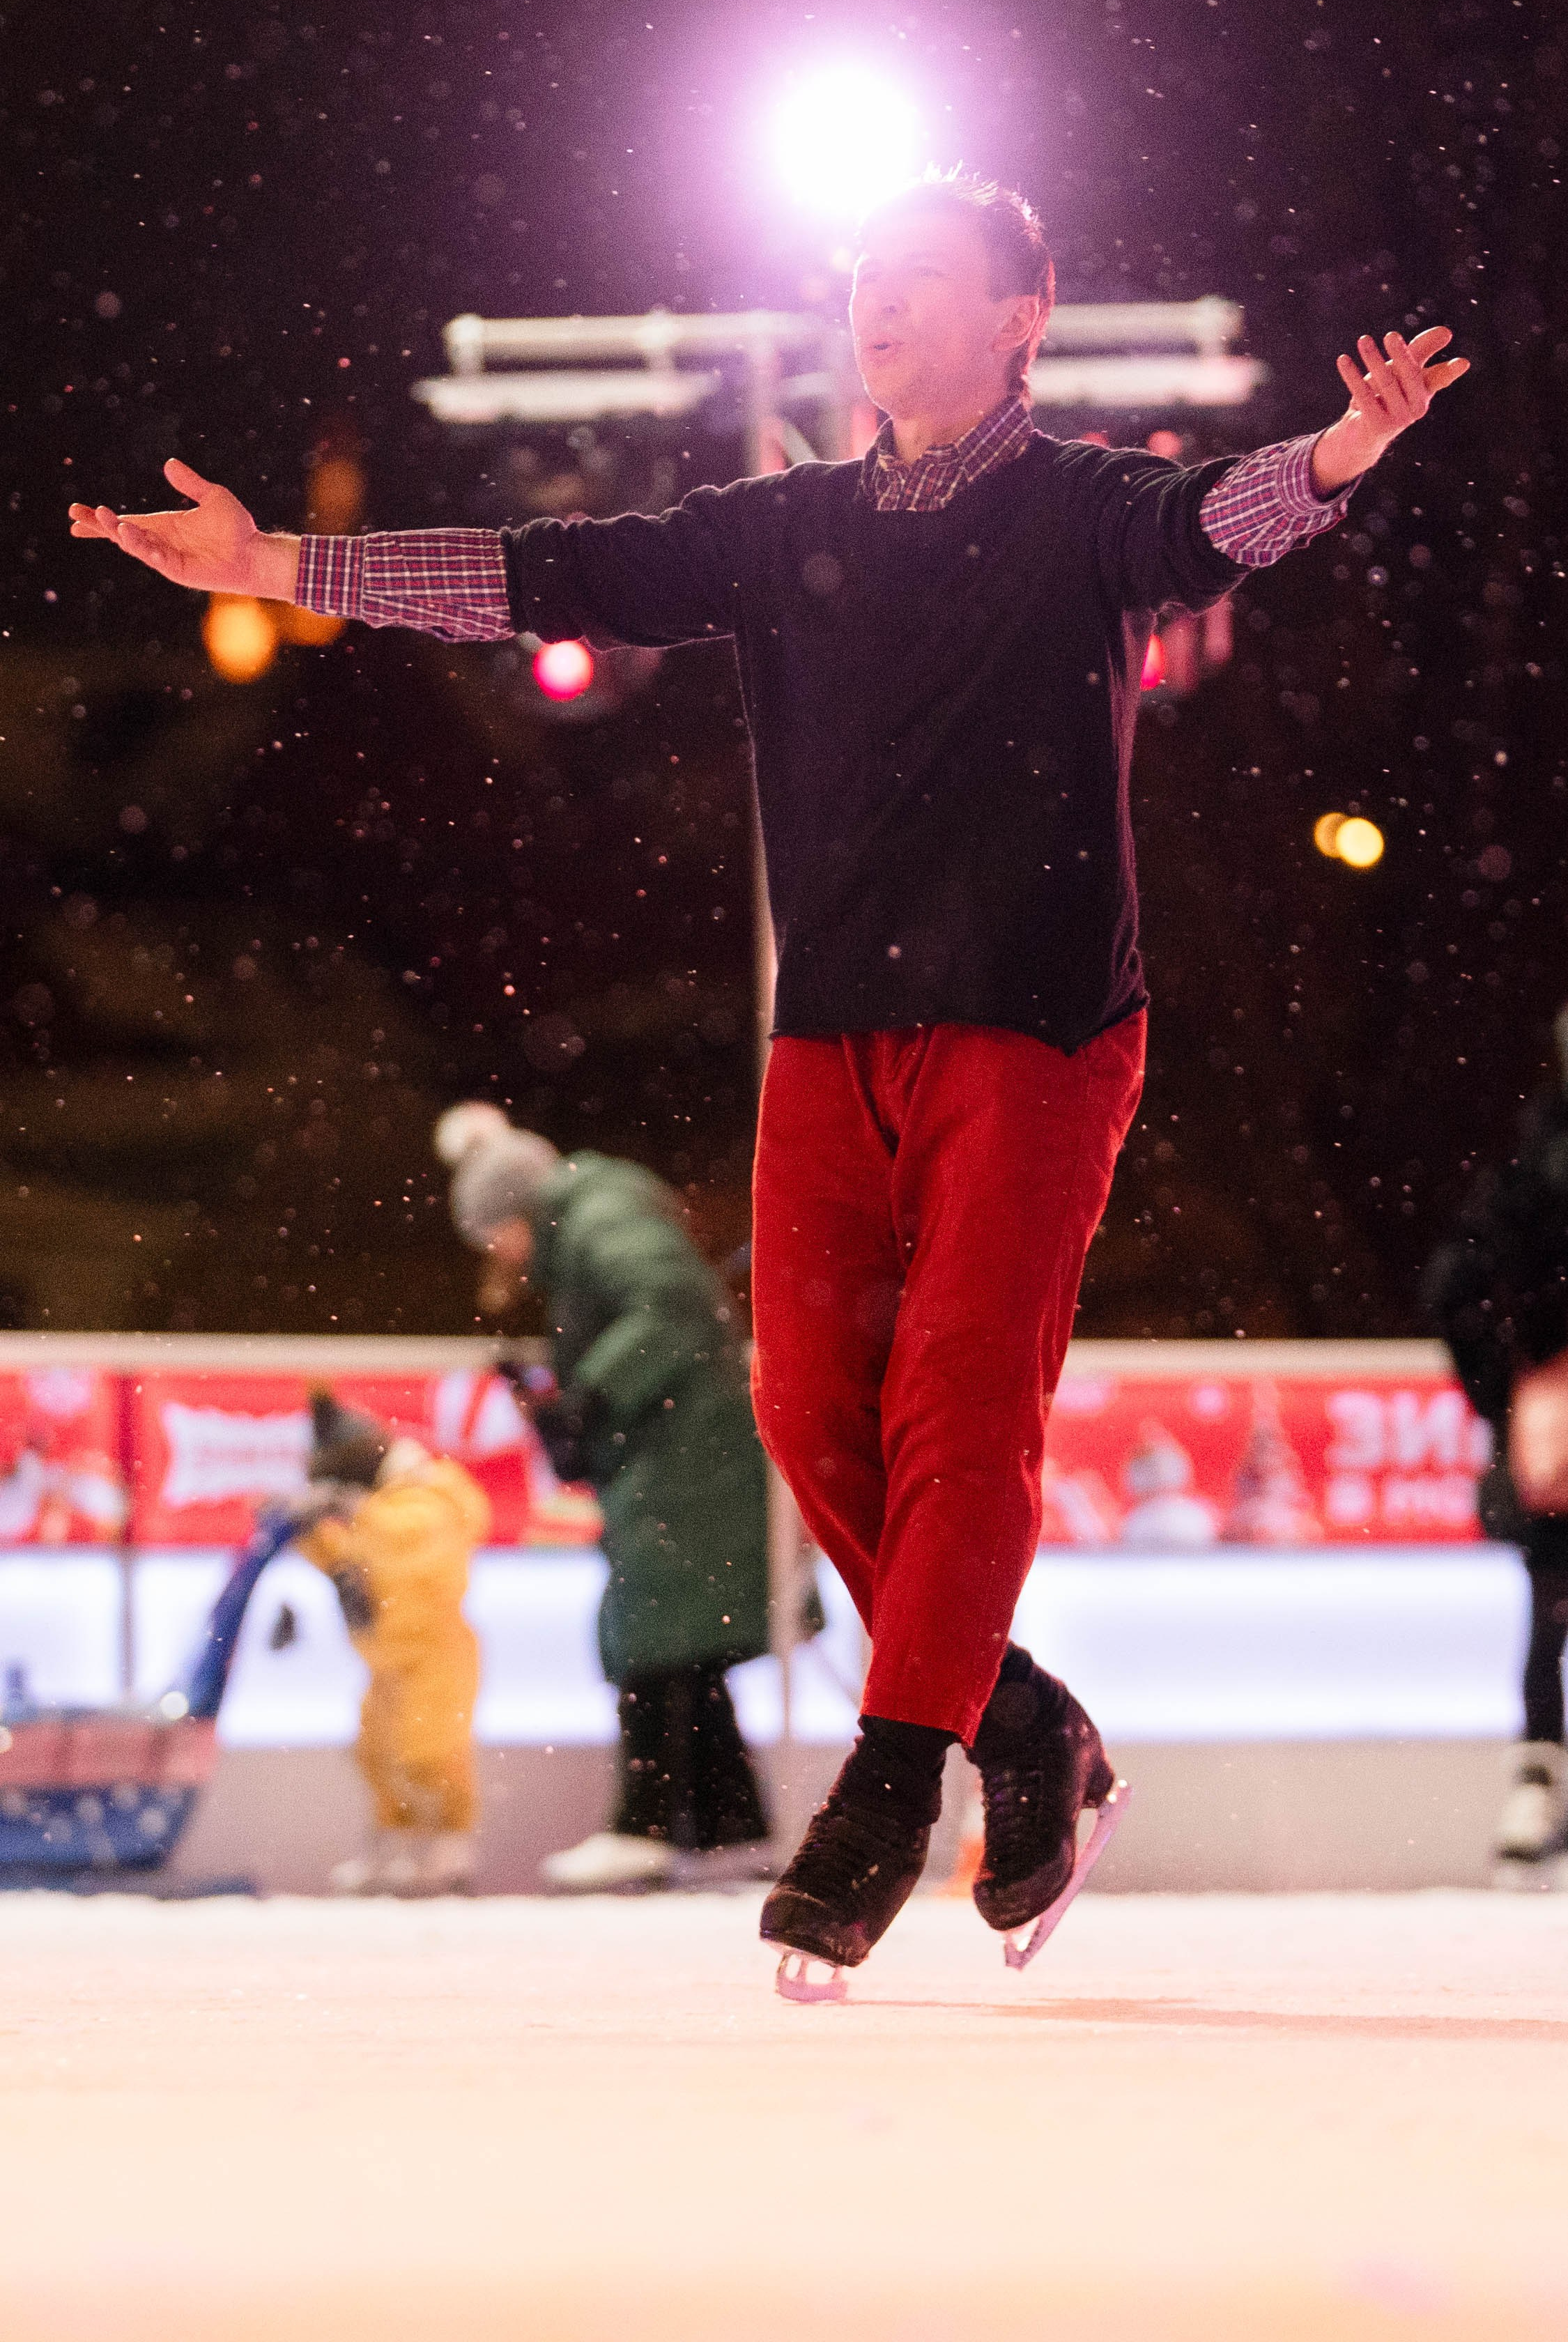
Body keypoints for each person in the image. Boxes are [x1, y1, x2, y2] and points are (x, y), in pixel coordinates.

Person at [70, 169, 1468, 1991]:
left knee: (961, 1409)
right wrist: (280, 569)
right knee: (807, 1411)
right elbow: (541, 578)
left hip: (1038, 1030)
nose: (878, 308)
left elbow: (1220, 522)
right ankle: (1021, 1720)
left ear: (1017, 320)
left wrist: (1344, 450)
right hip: (829, 1036)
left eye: (921, 281)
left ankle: (891, 1787)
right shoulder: (781, 523)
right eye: (864, 280)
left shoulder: (1082, 508)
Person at [433, 1102, 776, 1890]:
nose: (500, 1255)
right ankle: (733, 1829)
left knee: (653, 1629)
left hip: (686, 1460)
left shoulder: (601, 1215)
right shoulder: (594, 1219)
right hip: (683, 1451)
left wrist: (586, 1394)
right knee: (685, 1640)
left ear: (518, 1209)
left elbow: (676, 1308)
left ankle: (645, 1824)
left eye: (495, 1234)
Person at [1424, 1014, 1568, 1879]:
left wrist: (1512, 1385)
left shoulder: (1526, 1172)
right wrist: (1514, 1386)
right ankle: (1537, 1785)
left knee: (1550, 1605)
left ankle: (1537, 1785)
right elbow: (1457, 1287)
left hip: (1548, 1423)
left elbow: (1455, 1285)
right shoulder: (1531, 1175)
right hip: (1552, 1429)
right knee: (1550, 1601)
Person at [293, 1387, 491, 1896]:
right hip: (385, 1660)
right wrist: (304, 1529)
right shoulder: (375, 1509)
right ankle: (397, 1840)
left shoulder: (433, 1494)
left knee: (431, 1750)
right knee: (376, 1754)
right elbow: (346, 1560)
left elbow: (407, 1541)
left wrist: (355, 1512)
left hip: (436, 1655)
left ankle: (451, 1844)